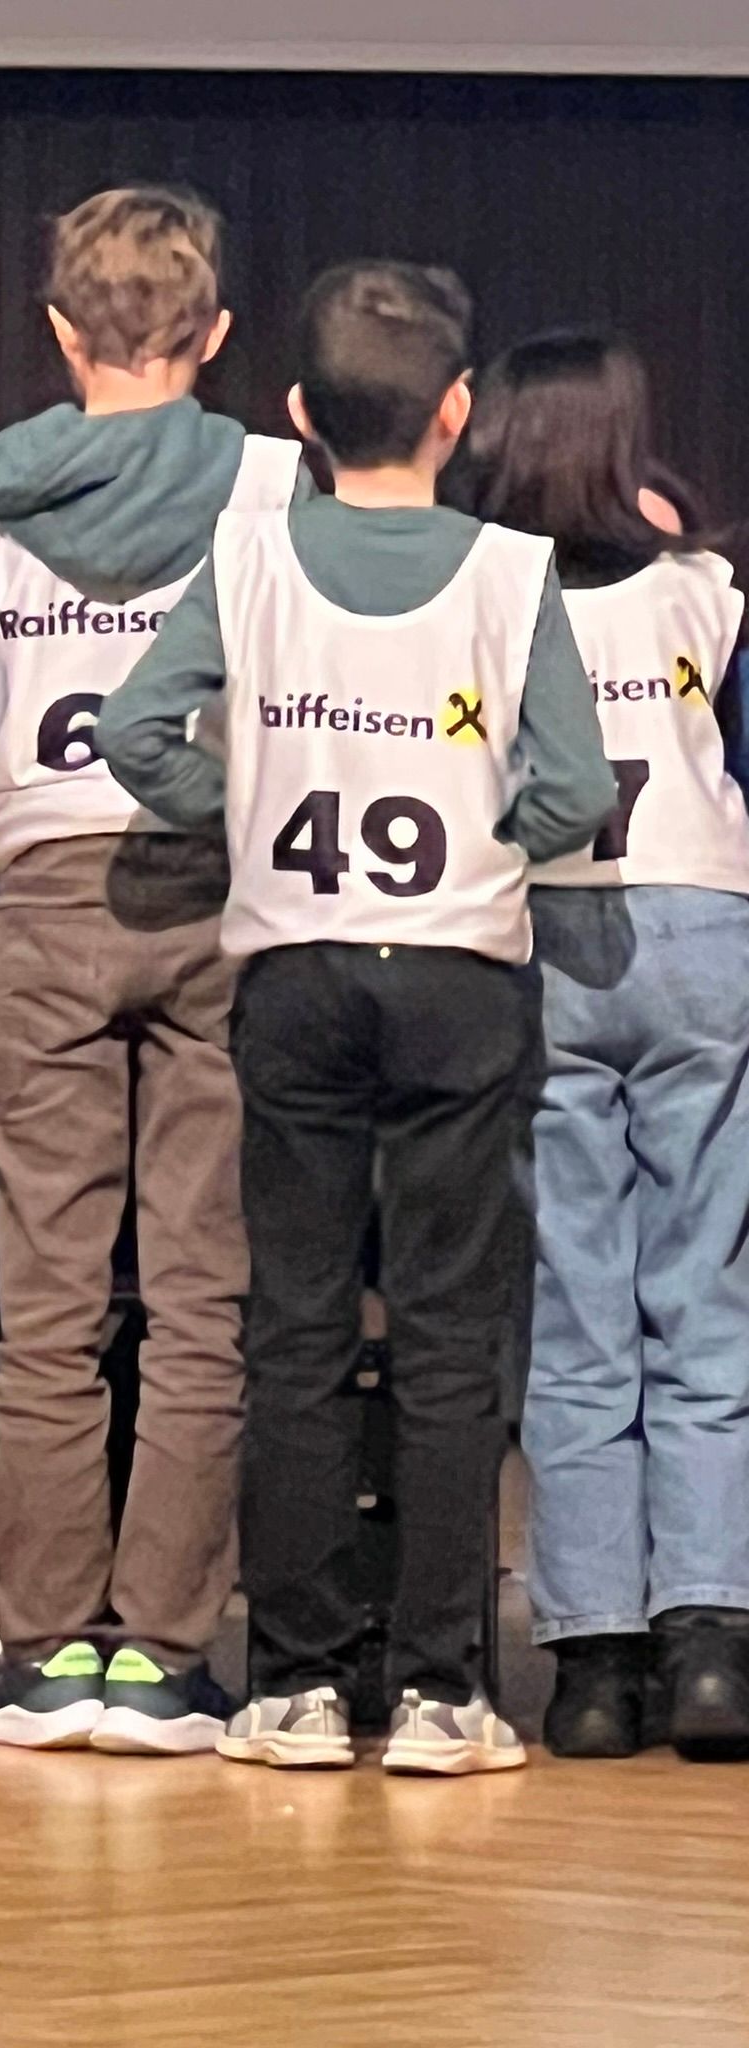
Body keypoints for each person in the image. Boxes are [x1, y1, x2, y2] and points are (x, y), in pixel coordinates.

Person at [98, 260, 615, 1774]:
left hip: (296, 969)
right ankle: (448, 1692)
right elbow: (580, 789)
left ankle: (299, 1685)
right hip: (458, 972)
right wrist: (485, 832)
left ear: (299, 415)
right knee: (452, 1335)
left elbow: (133, 728)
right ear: (457, 412)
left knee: (298, 1328)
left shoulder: (248, 555)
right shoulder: (510, 572)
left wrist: (246, 804)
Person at [0, 185, 307, 1755]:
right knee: (202, 1297)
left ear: (63, 333)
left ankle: (48, 1647)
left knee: (47, 1300)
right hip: (219, 889)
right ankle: (167, 1661)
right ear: (217, 332)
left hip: (47, 894)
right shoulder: (274, 482)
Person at [458, 333, 749, 1761]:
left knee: (575, 1310)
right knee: (705, 1297)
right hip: (699, 927)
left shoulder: (478, 595)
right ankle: (712, 1648)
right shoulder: (706, 588)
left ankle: (590, 1664)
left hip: (542, 933)